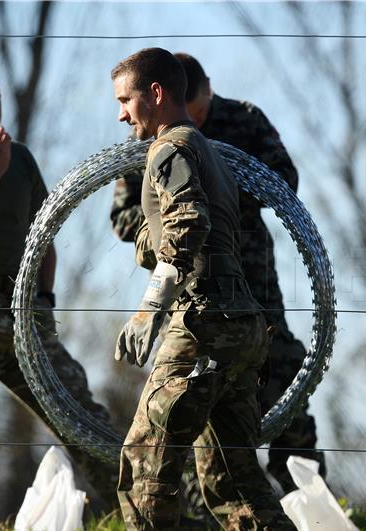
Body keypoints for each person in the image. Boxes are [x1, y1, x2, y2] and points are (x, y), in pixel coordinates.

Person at [110, 52, 322, 493]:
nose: (196, 120)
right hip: (186, 286)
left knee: (280, 375)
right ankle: (194, 506)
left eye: (200, 110)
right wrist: (162, 235)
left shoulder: (234, 122)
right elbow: (125, 218)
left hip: (251, 280)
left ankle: (306, 494)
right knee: (193, 412)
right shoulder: (147, 141)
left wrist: (212, 196)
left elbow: (282, 181)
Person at [0, 69, 120, 518]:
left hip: (24, 316)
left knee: (79, 411)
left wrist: (45, 300)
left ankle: (137, 511)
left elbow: (43, 239)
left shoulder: (20, 159)